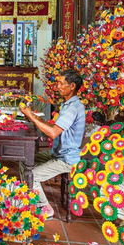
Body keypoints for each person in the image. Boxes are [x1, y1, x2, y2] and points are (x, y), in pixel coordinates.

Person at [20, 69, 86, 219]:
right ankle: (29, 196)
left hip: (67, 159)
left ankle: (45, 208)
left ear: (72, 86)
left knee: (32, 175)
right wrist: (32, 116)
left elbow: (53, 132)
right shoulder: (68, 105)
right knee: (25, 160)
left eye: (62, 83)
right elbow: (52, 128)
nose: (58, 86)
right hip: (58, 152)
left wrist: (31, 116)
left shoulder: (73, 108)